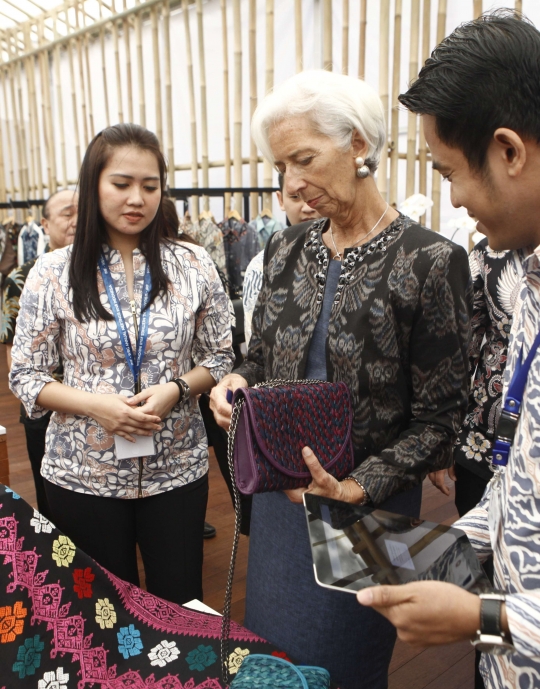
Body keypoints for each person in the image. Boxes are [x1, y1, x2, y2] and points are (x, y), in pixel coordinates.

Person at [210, 69, 471, 689]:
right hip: (279, 496)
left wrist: (355, 487)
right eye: (281, 166)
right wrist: (234, 384)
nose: (292, 183)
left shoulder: (429, 261)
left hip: (366, 506)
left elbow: (442, 419)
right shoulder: (285, 250)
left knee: (344, 663)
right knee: (274, 654)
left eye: (303, 159)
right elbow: (259, 356)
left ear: (357, 145)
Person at [355, 12, 540, 689]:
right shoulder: (526, 275)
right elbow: (523, 472)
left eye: (451, 173)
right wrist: (454, 543)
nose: (455, 202)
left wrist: (484, 615)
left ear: (509, 150)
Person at [10, 123, 234, 605]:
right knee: (103, 614)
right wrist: (97, 407)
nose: (137, 198)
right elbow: (25, 374)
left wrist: (176, 388)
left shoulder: (192, 264)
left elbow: (219, 356)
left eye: (149, 186)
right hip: (82, 469)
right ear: (94, 186)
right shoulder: (53, 271)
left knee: (181, 604)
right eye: (122, 183)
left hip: (176, 466)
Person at [1, 189, 78, 521]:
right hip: (46, 404)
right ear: (45, 223)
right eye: (67, 213)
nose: (77, 220)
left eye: (83, 211)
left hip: (97, 407)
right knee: (52, 495)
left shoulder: (102, 268)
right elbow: (11, 351)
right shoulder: (22, 277)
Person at [243, 172, 321, 346]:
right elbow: (255, 350)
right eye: (295, 197)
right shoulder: (261, 265)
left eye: (315, 195)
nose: (307, 207)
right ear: (280, 199)